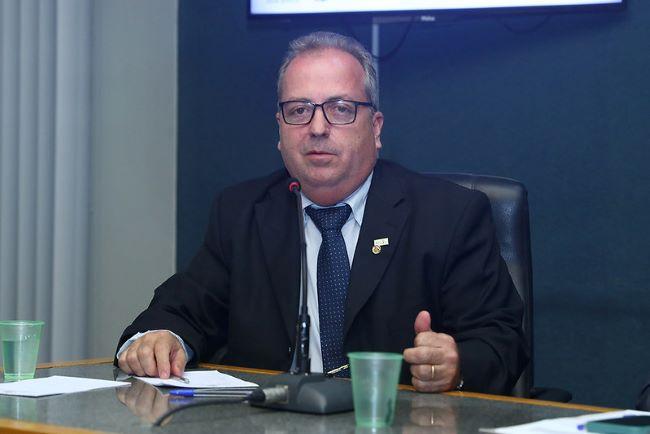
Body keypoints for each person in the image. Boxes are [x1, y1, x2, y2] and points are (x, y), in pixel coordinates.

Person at [116, 31, 528, 395]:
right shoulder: (242, 214)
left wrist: (456, 365)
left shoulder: (448, 215)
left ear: (376, 127)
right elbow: (180, 311)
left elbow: (502, 342)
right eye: (299, 110)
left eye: (340, 108)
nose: (317, 127)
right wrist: (160, 338)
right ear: (280, 130)